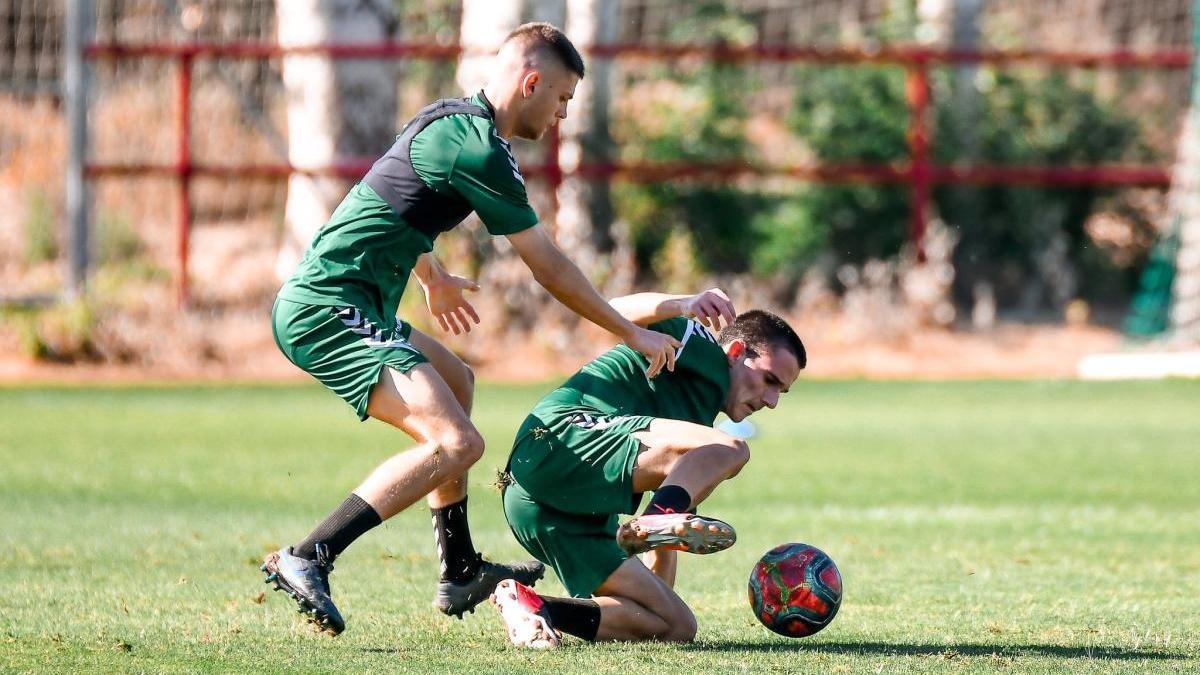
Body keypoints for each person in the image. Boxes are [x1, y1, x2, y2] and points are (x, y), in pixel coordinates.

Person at [261, 22, 679, 636]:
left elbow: (386, 200)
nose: (563, 114)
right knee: (458, 443)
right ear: (531, 82)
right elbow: (549, 265)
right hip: (326, 306)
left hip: (355, 302)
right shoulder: (478, 146)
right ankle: (309, 556)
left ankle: (458, 569)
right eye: (561, 98)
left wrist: (429, 273)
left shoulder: (451, 120)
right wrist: (631, 332)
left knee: (457, 381)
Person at [489, 290, 806, 647]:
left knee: (674, 625)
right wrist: (684, 304)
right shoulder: (699, 346)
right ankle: (656, 517)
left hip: (544, 511)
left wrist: (657, 587)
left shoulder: (692, 452)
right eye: (770, 381)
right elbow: (611, 309)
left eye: (782, 391)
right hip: (557, 439)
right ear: (735, 354)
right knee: (732, 447)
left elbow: (663, 559)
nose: (772, 401)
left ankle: (534, 606)